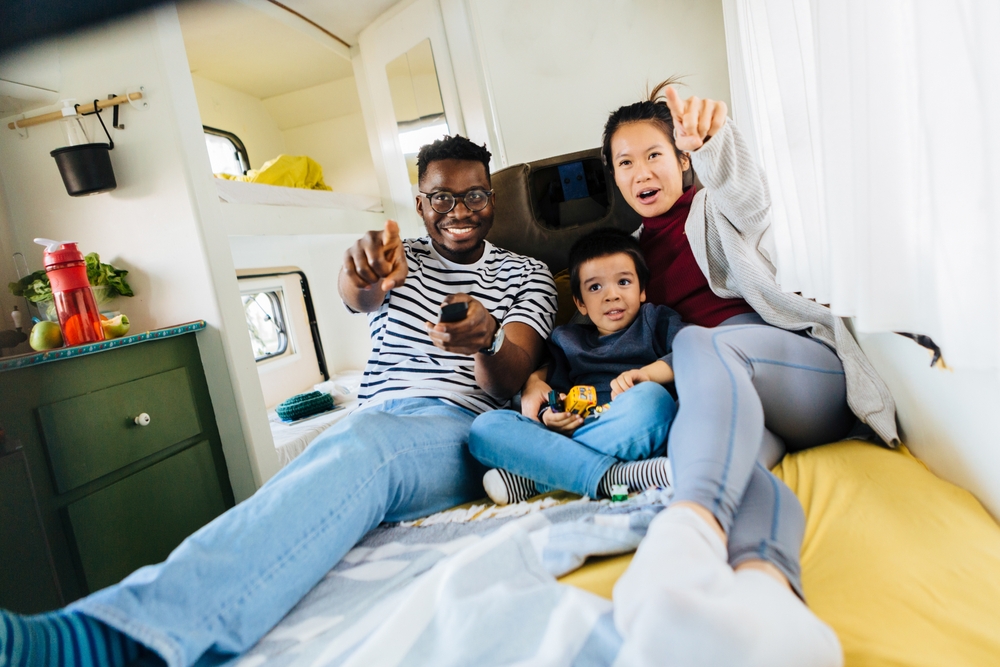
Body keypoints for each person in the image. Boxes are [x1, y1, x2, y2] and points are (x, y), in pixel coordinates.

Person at [0, 135, 558, 667]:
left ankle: (106, 637)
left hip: (456, 428)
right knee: (326, 467)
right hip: (373, 419)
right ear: (419, 202)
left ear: (493, 198)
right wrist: (360, 271)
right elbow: (360, 291)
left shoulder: (527, 273)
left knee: (367, 445)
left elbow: (508, 380)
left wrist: (486, 340)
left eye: (475, 195)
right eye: (441, 196)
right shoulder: (395, 257)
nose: (458, 210)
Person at [520, 82, 899, 667]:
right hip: (727, 399)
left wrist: (719, 142)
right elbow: (589, 340)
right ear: (615, 178)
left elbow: (748, 200)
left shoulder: (709, 210)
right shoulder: (630, 258)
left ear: (681, 158)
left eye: (654, 154)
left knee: (702, 341)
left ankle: (685, 534)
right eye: (626, 162)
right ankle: (772, 600)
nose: (642, 171)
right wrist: (536, 380)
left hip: (800, 376)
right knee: (741, 470)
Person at [469, 228, 684, 505]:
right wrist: (550, 416)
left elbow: (691, 353)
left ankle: (537, 479)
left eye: (624, 282)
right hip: (576, 429)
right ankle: (621, 476)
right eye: (595, 287)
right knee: (485, 427)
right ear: (580, 303)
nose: (611, 296)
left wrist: (646, 374)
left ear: (642, 290)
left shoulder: (656, 321)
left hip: (632, 424)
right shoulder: (567, 340)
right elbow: (550, 397)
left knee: (653, 399)